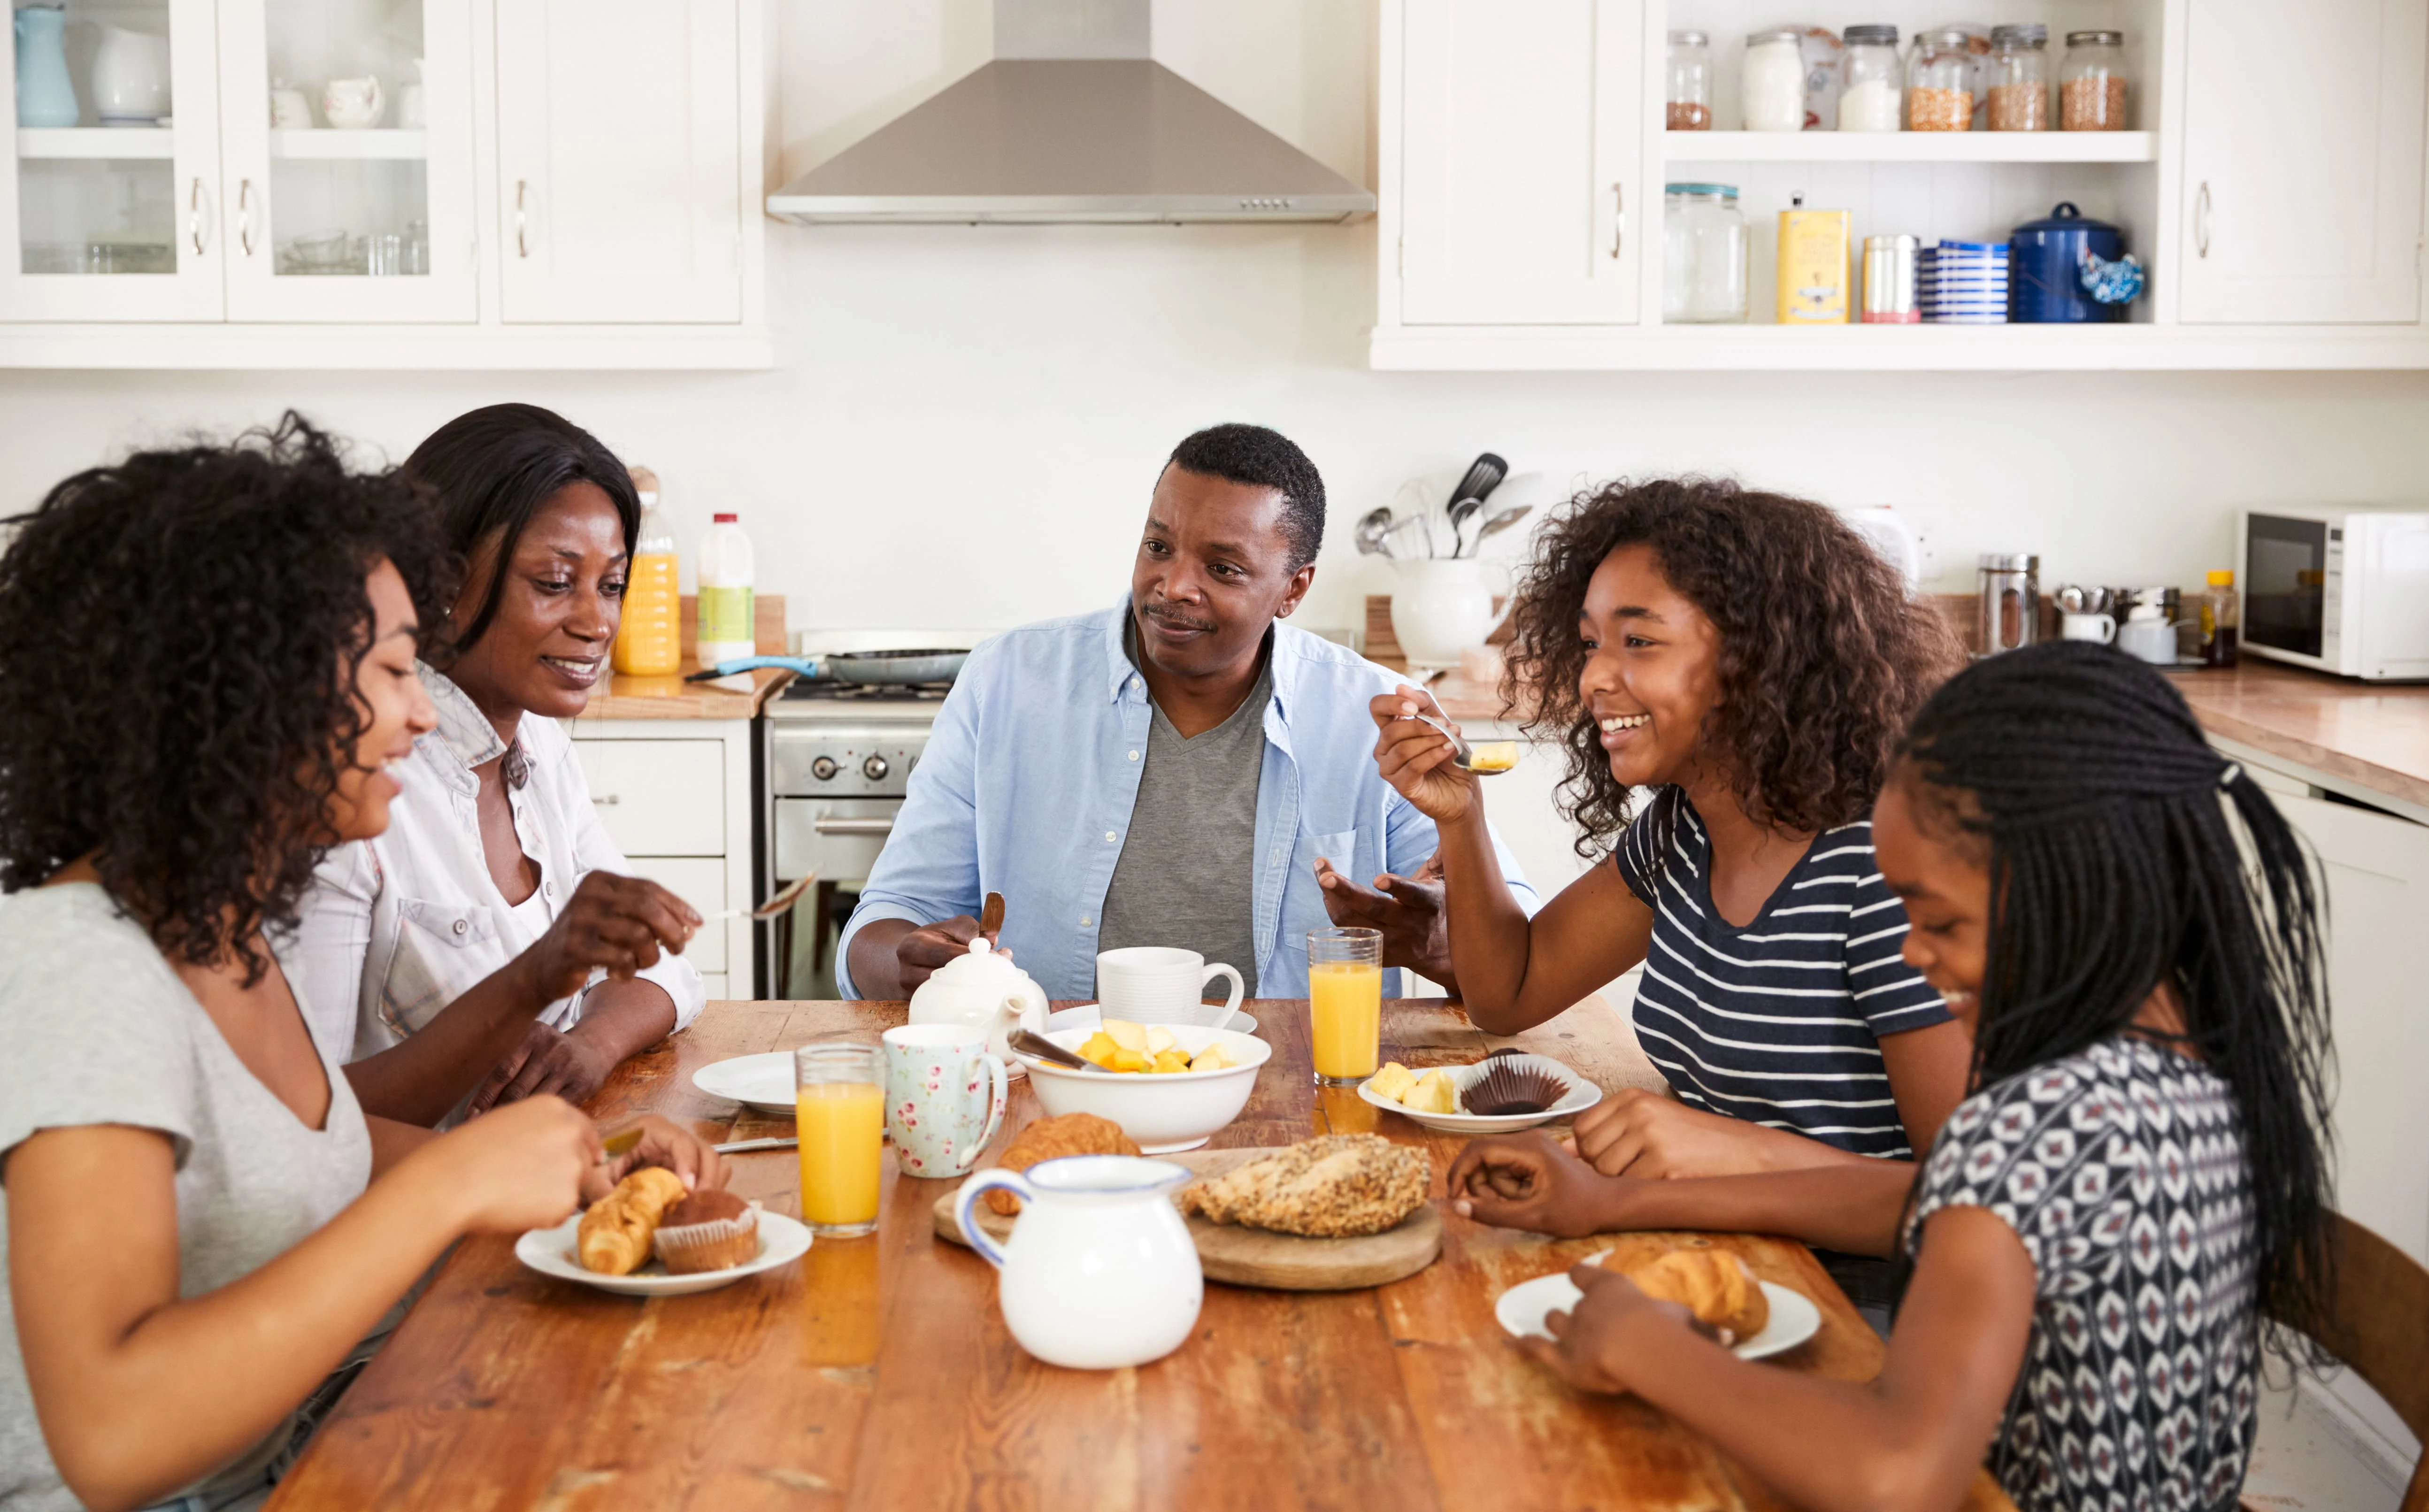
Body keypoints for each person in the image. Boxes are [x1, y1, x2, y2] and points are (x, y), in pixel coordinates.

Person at [0, 417, 723, 1512]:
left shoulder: (221, 930)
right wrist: (446, 1186)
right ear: (251, 691)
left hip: (297, 1450)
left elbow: (315, 1152)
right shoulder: (80, 968)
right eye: (391, 668)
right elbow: (108, 1437)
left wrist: (586, 1156)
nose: (424, 709)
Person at [1445, 642, 2335, 1512]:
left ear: (2077, 892)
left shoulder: (2035, 1120)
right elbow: (1939, 1209)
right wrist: (1614, 1207)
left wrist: (1650, 1352)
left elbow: (1897, 1476)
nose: (1911, 952)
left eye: (1939, 922)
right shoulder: (2182, 1072)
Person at [1363, 478, 1969, 1182]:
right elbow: (1509, 995)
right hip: (1718, 1243)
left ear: (1759, 657)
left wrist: (1715, 1159)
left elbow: (1970, 1200)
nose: (1593, 678)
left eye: (1638, 641)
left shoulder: (1885, 869)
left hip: (1859, 1291)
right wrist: (1461, 816)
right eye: (1589, 643)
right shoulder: (1681, 834)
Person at [841, 423, 1537, 1003]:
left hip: (1292, 1088)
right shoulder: (1007, 682)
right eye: (1158, 547)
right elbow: (878, 928)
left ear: (1292, 590)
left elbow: (1512, 959)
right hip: (1045, 1075)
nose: (1172, 586)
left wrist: (1436, 942)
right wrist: (907, 963)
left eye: (1223, 568)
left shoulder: (1371, 714)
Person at [298, 404, 706, 1128]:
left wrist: (589, 1044)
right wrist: (536, 983)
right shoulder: (347, 788)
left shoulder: (540, 744)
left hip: (534, 1174)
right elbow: (306, 1123)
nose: (597, 622)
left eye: (611, 585)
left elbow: (666, 971)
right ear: (440, 583)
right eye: (554, 582)